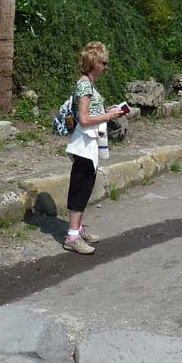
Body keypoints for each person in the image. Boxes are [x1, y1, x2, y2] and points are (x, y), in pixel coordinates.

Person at [63, 41, 126, 255]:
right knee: (80, 188)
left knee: (86, 186)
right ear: (94, 62)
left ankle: (77, 229)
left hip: (87, 144)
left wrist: (108, 110)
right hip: (84, 144)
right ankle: (72, 236)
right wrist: (109, 116)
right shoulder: (84, 85)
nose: (106, 66)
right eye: (104, 62)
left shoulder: (88, 84)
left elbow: (90, 112)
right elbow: (84, 118)